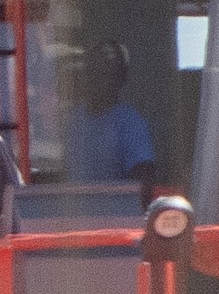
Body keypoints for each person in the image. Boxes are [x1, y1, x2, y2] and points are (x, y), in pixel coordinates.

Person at [66, 44, 166, 195]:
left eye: (107, 74)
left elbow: (142, 188)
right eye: (93, 72)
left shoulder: (131, 124)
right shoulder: (75, 119)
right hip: (73, 215)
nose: (99, 80)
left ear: (121, 79)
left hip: (114, 215)